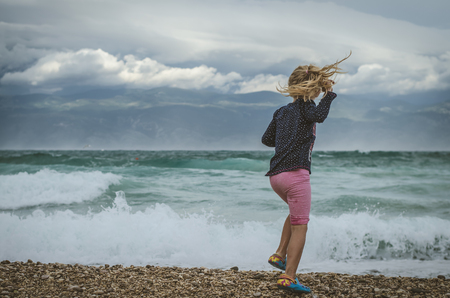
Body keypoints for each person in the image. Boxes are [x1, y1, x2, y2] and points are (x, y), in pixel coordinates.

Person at [262, 53, 351, 294]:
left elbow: (266, 139)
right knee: (301, 224)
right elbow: (320, 116)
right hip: (296, 175)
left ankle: (279, 255)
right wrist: (329, 95)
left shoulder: (281, 111)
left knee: (294, 214)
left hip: (276, 177)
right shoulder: (307, 107)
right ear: (313, 90)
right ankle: (289, 277)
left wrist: (287, 139)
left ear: (292, 86)